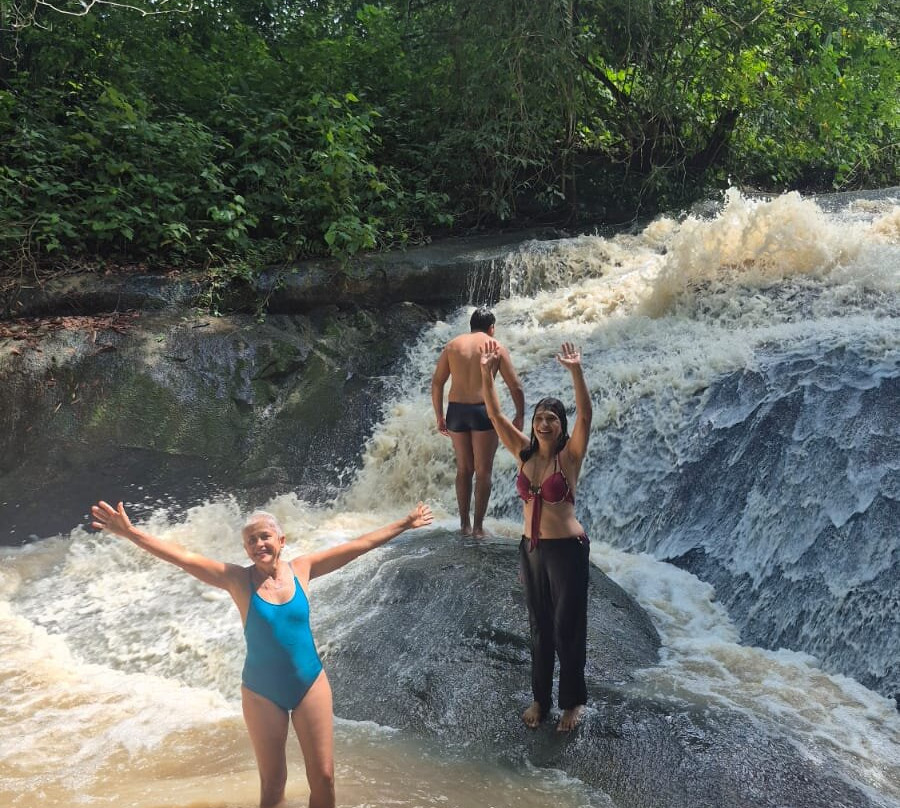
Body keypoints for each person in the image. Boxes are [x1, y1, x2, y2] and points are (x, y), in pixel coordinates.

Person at [90, 498, 433, 808]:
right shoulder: (237, 580)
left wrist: (405, 523)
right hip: (261, 693)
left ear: (281, 541)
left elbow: (358, 545)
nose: (259, 544)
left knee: (325, 780)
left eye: (265, 536)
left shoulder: (303, 568)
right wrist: (131, 532)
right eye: (251, 540)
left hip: (309, 683)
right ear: (246, 548)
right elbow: (183, 558)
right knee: (272, 787)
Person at [480, 340, 592, 732]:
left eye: (552, 419)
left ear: (560, 426)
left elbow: (586, 417)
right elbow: (493, 413)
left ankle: (571, 705)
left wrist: (575, 371)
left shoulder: (570, 456)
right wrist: (486, 372)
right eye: (540, 418)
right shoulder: (524, 453)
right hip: (531, 550)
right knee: (539, 628)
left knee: (567, 627)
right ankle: (541, 700)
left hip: (567, 551)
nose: (545, 424)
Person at [431, 306, 524, 537]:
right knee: (483, 472)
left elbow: (437, 382)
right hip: (484, 411)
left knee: (464, 469)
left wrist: (439, 415)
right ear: (492, 328)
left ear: (471, 326)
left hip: (456, 411)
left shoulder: (452, 345)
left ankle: (463, 525)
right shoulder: (495, 346)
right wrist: (520, 414)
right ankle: (478, 528)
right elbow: (515, 386)